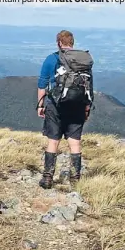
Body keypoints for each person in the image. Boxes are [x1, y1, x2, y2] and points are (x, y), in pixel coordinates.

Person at [36, 30, 94, 189]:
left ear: (59, 43)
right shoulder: (83, 61)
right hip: (78, 105)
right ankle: (75, 180)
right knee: (75, 143)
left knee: (53, 141)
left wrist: (40, 105)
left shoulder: (52, 59)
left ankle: (48, 178)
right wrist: (87, 107)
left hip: (56, 105)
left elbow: (42, 84)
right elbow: (89, 85)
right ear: (72, 42)